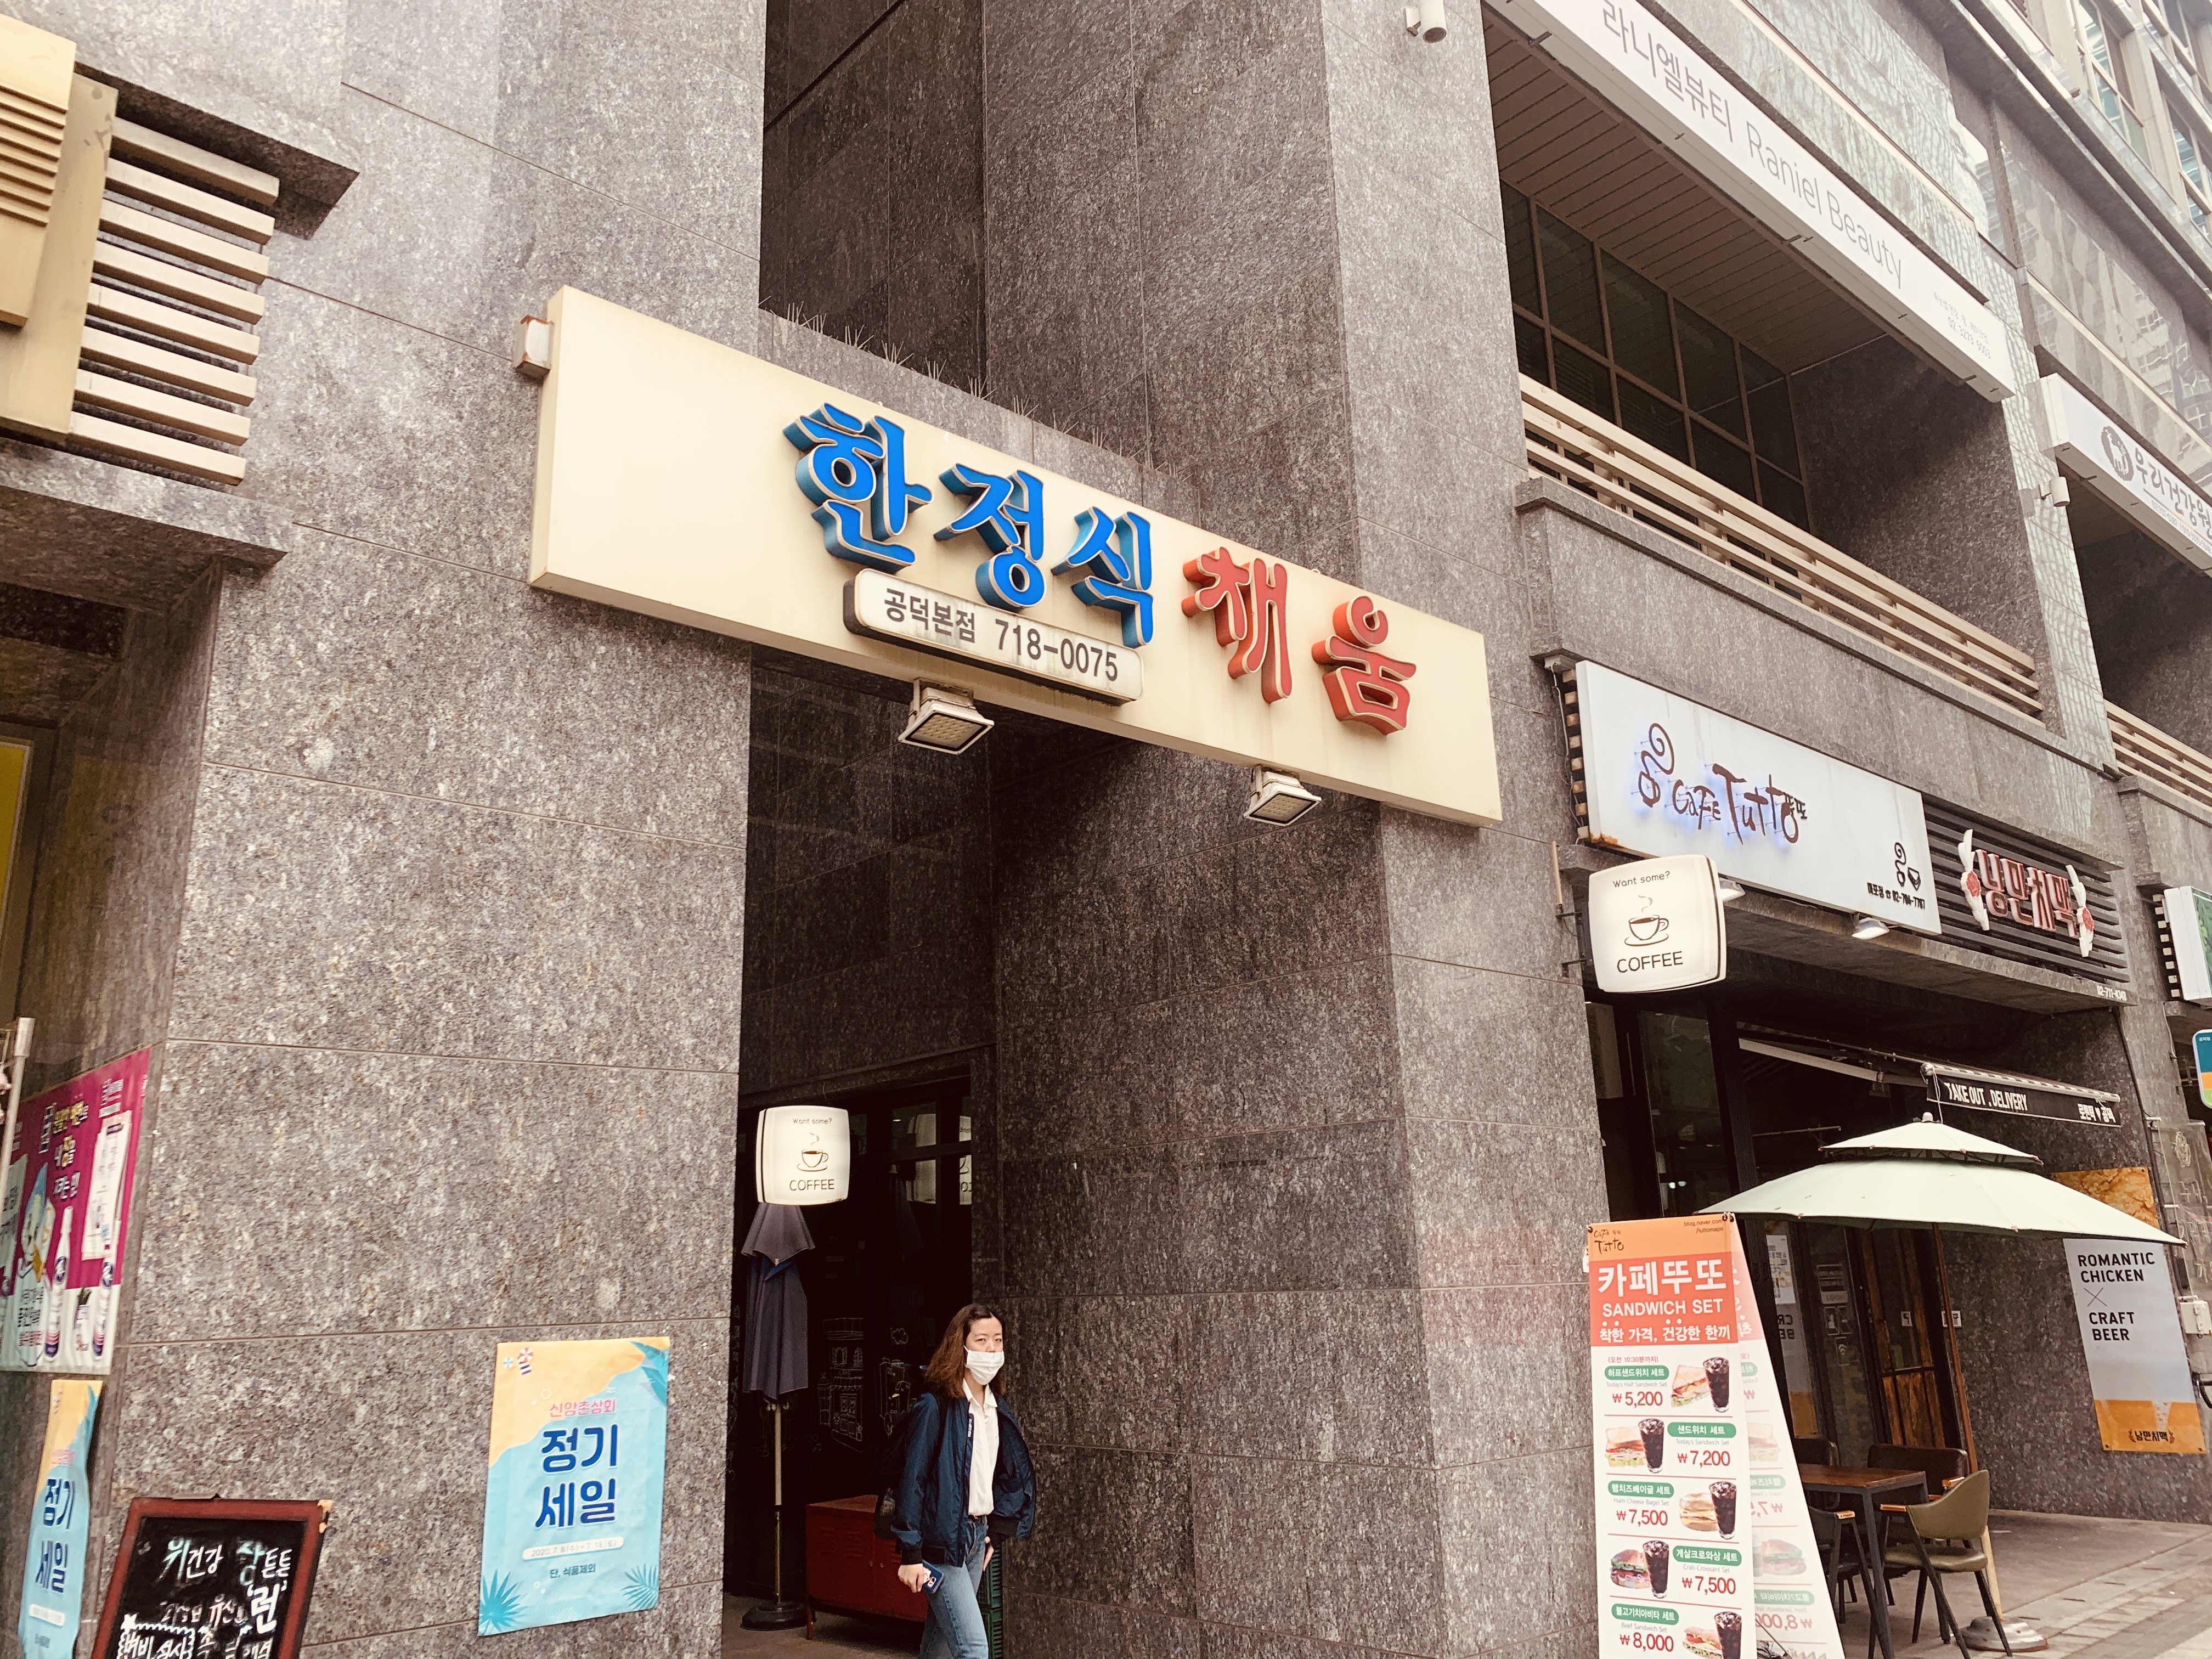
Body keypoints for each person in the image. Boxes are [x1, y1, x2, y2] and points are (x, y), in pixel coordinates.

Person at [890, 1304, 1036, 1658]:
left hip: (975, 1539)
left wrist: (997, 1529)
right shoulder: (935, 1406)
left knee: (940, 1646)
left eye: (998, 1340)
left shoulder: (996, 1407)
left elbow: (1007, 1472)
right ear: (962, 1346)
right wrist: (911, 1552)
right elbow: (913, 1479)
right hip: (941, 1543)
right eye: (981, 1340)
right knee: (973, 1649)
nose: (991, 1349)